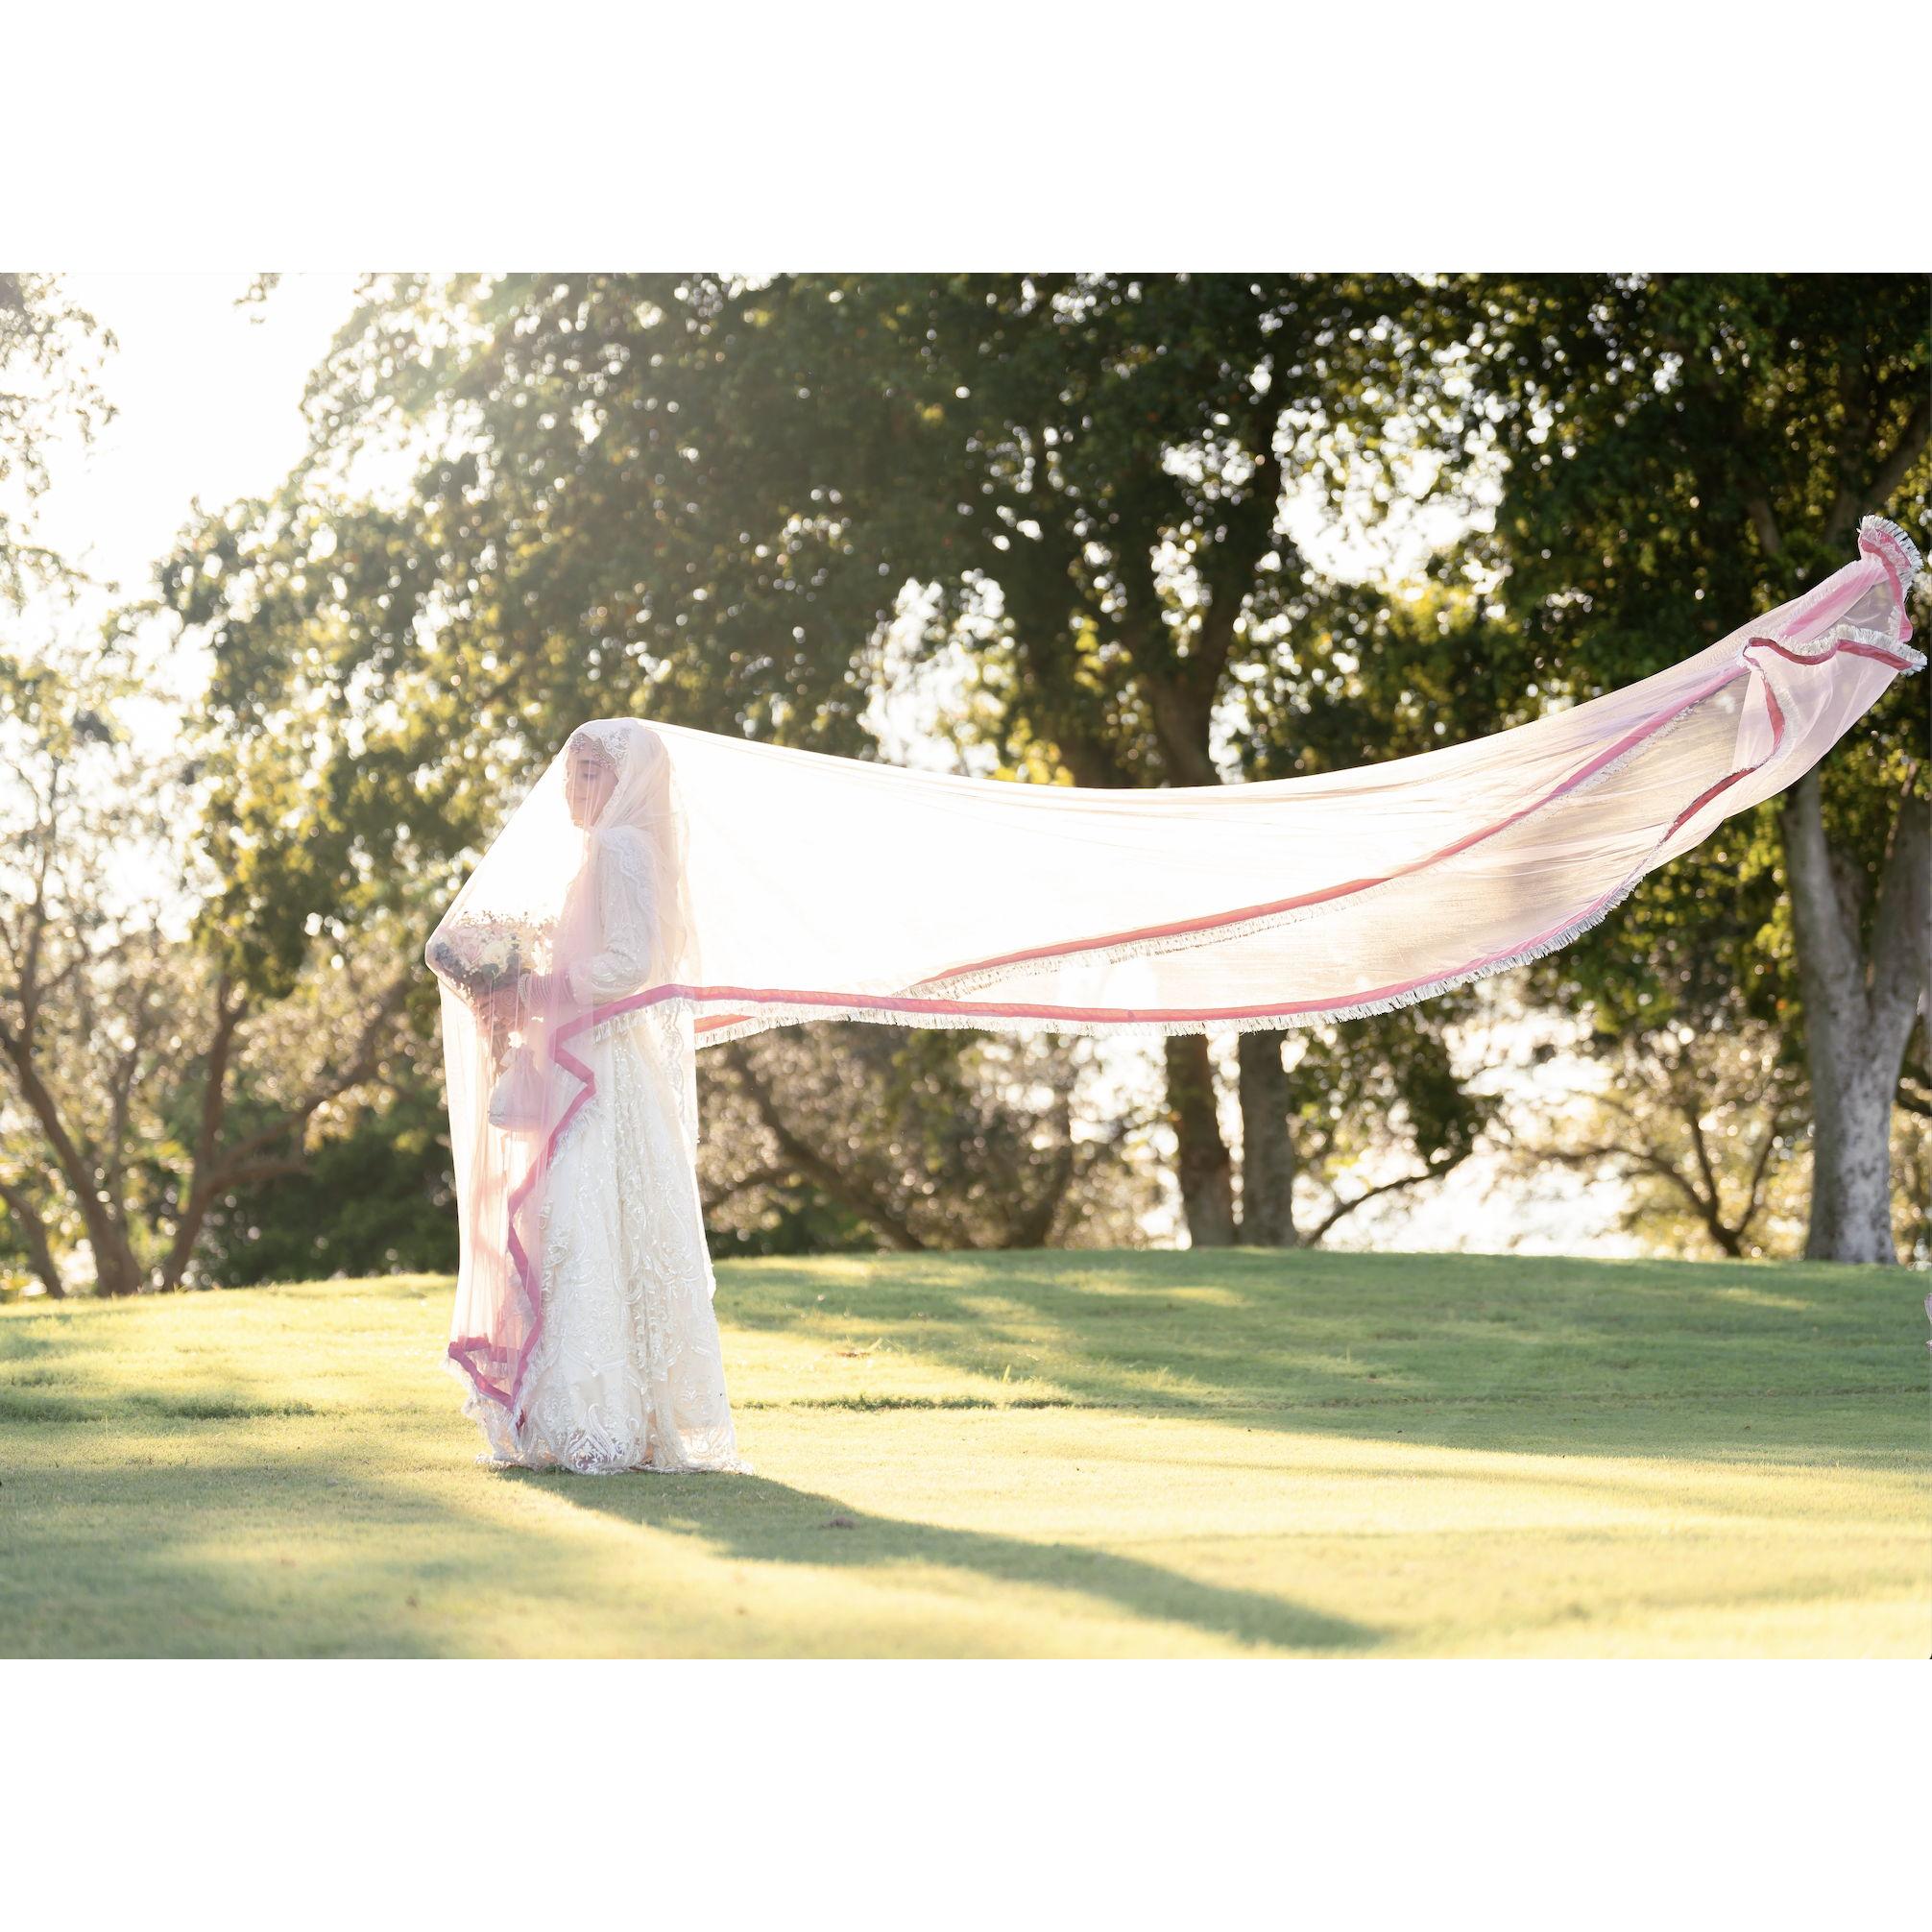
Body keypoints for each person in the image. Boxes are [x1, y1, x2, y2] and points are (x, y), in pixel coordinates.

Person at [433, 719, 749, 1475]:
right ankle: (600, 1420)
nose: (575, 791)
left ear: (627, 781)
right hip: (594, 1058)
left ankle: (594, 1423)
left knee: (581, 1223)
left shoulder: (618, 848)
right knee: (587, 1228)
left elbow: (630, 964)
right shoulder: (614, 851)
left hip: (599, 1066)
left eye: (591, 775)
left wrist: (535, 987)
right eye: (571, 774)